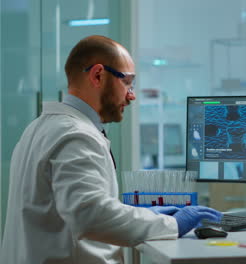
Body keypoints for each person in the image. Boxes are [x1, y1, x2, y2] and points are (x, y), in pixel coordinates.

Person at [0, 35, 222, 264]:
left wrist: (150, 215)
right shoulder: (76, 136)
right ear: (98, 75)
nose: (132, 95)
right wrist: (172, 224)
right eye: (127, 82)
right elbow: (89, 214)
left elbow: (79, 205)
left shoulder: (40, 128)